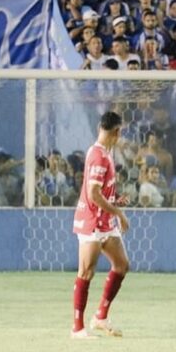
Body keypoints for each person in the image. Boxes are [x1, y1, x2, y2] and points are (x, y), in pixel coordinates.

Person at [71, 111, 131, 339]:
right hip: (92, 222)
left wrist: (114, 201)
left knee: (122, 265)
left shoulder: (102, 152)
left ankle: (100, 317)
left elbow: (100, 192)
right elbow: (93, 194)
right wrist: (120, 213)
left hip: (105, 221)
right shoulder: (98, 156)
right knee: (86, 272)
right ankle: (77, 328)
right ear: (117, 131)